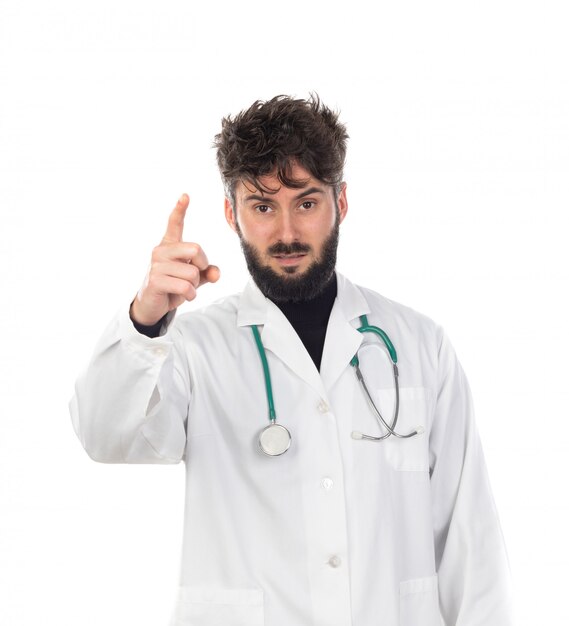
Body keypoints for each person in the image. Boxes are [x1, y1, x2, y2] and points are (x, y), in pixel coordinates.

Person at [70, 94, 513, 626]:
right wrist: (144, 322)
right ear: (232, 213)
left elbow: (471, 538)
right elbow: (104, 436)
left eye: (306, 203)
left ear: (340, 203)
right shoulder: (194, 348)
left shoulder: (420, 345)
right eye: (262, 207)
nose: (285, 233)